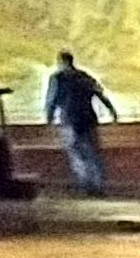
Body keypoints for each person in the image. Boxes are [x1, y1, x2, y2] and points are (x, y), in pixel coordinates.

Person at [42, 49, 117, 195]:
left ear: (61, 62)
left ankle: (86, 185)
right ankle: (98, 186)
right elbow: (99, 94)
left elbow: (52, 99)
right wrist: (112, 111)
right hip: (88, 119)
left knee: (76, 154)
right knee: (93, 153)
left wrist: (49, 118)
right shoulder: (84, 76)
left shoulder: (58, 78)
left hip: (69, 120)